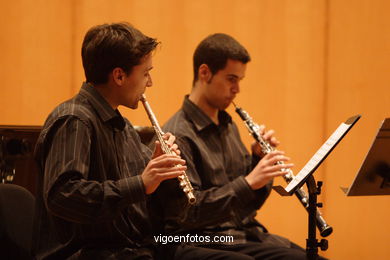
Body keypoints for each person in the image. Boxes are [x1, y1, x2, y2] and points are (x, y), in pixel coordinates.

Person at [155, 33, 327, 259]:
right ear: (204, 72)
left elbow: (249, 204)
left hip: (243, 234)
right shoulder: (178, 135)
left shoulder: (228, 126)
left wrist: (259, 162)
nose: (237, 89)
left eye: (239, 80)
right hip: (205, 239)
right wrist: (248, 182)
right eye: (231, 79)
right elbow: (188, 213)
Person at [33, 22, 187, 259]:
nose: (150, 83)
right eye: (146, 73)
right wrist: (141, 183)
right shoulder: (74, 119)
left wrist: (164, 175)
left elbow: (147, 207)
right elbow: (62, 195)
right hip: (87, 253)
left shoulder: (121, 125)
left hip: (132, 248)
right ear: (119, 75)